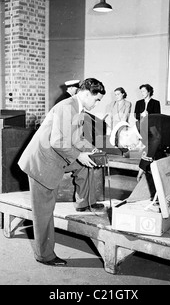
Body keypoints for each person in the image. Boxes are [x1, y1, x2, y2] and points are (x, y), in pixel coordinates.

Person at [18, 78, 106, 267]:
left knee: (85, 164)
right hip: (42, 163)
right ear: (86, 94)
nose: (97, 103)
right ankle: (45, 256)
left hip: (56, 157)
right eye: (97, 99)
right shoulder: (67, 107)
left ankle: (83, 203)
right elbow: (58, 142)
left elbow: (76, 138)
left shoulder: (77, 107)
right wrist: (79, 155)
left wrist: (91, 151)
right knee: (44, 212)